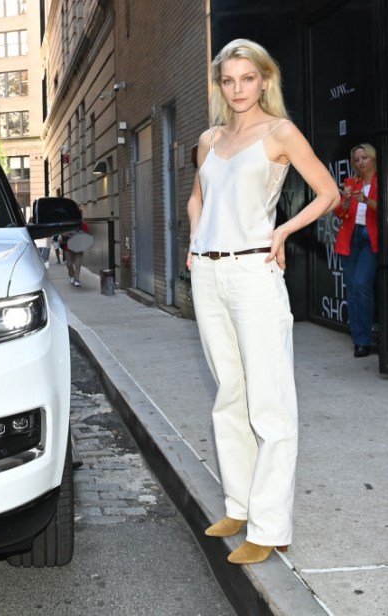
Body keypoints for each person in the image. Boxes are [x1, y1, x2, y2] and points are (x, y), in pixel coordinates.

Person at [186, 39, 340, 565]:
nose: (237, 89)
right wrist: (192, 241)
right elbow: (198, 197)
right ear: (219, 85)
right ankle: (239, 504)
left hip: (254, 272)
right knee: (229, 393)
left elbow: (328, 192)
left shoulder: (279, 132)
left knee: (269, 404)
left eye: (247, 78)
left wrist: (283, 233)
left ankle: (270, 526)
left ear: (264, 80)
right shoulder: (209, 139)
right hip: (208, 274)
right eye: (228, 80)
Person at [334, 143, 378, 357]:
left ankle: (366, 338)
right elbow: (340, 213)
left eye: (364, 158)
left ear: (373, 158)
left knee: (362, 284)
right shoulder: (352, 182)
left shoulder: (381, 181)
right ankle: (360, 339)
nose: (360, 162)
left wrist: (368, 201)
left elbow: (383, 208)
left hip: (370, 238)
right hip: (350, 238)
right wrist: (346, 200)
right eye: (357, 159)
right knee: (352, 289)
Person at [62, 218, 90, 287]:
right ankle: (72, 275)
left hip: (79, 248)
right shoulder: (67, 224)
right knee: (69, 264)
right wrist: (65, 235)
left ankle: (77, 279)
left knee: (78, 264)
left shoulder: (83, 225)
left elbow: (86, 235)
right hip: (68, 247)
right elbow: (62, 233)